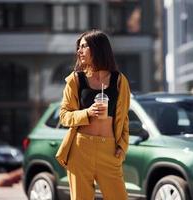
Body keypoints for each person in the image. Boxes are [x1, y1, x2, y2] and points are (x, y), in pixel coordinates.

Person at [58, 29, 130, 200]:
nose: (79, 51)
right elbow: (64, 115)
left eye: (84, 46)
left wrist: (122, 146)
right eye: (79, 47)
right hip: (81, 149)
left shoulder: (119, 80)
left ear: (97, 49)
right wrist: (87, 113)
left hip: (109, 150)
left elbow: (124, 118)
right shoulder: (75, 80)